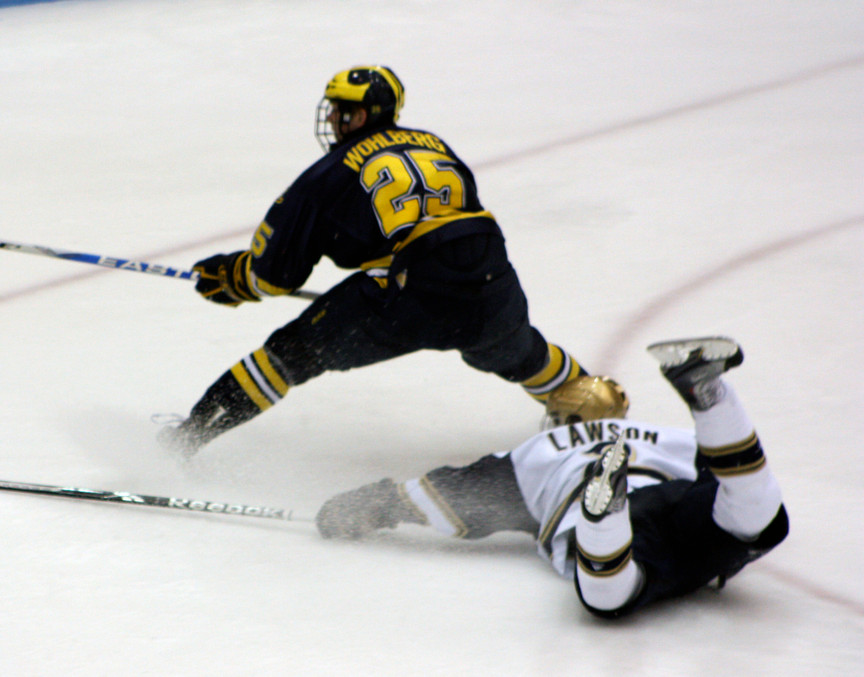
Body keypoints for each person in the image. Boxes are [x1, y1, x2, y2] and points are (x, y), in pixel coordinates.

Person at [159, 65, 589, 455]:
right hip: (492, 281)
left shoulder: (329, 173)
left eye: (340, 110)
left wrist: (233, 277)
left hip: (402, 298)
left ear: (361, 117)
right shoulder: (436, 145)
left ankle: (186, 440)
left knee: (288, 354)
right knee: (528, 355)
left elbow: (275, 275)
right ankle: (597, 420)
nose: (330, 119)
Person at [315, 336, 789, 618]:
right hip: (681, 497)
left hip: (614, 529)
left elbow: (449, 497)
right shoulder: (667, 434)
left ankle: (606, 513)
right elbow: (721, 466)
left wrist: (370, 506)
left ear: (563, 420)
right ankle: (708, 392)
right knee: (756, 516)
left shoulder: (537, 451)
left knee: (609, 597)